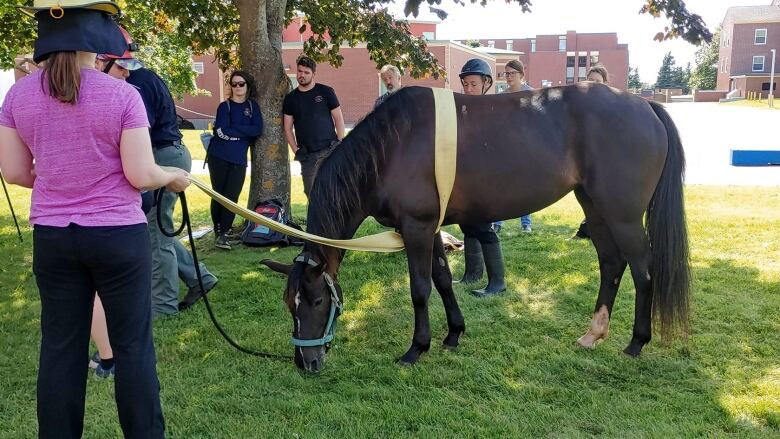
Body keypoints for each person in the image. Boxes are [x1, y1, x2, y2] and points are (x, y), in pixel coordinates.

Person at [0, 2, 187, 436]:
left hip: (53, 237)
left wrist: (59, 179)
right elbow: (141, 174)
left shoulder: (17, 95)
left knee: (60, 349)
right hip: (117, 236)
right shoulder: (122, 95)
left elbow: (12, 171)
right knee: (133, 347)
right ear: (100, 38)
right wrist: (173, 177)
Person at [125, 44, 218, 317]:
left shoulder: (136, 83)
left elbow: (139, 129)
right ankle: (200, 278)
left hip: (162, 156)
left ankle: (164, 306)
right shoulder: (145, 77)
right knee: (158, 229)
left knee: (156, 232)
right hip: (168, 154)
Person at [454, 58, 507, 297]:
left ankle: (497, 282)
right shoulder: (464, 108)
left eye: (473, 84)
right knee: (467, 224)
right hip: (467, 175)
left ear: (486, 83)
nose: (468, 89)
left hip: (487, 177)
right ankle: (472, 273)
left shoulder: (494, 108)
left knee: (484, 227)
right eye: (465, 84)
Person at [208, 70, 263, 250]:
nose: (238, 87)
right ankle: (220, 231)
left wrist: (235, 129)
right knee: (219, 194)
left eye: (241, 84)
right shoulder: (225, 107)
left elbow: (257, 130)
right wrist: (243, 131)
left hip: (239, 158)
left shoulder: (253, 107)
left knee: (232, 196)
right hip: (219, 156)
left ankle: (225, 230)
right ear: (230, 86)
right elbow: (221, 131)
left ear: (247, 86)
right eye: (234, 84)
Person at [283, 56, 346, 197]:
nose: (302, 75)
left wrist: (339, 144)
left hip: (329, 150)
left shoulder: (326, 92)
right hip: (307, 156)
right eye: (300, 71)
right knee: (311, 193)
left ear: (313, 74)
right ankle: (318, 219)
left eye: (306, 72)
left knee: (334, 190)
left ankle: (336, 219)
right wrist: (296, 150)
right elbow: (287, 128)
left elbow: (339, 119)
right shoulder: (291, 98)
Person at [571, 64, 610, 240]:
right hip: (586, 160)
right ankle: (586, 229)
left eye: (598, 81)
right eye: (591, 80)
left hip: (602, 160)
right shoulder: (582, 105)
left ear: (605, 83)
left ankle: (588, 230)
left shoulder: (611, 105)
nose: (594, 84)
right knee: (588, 197)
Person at [502, 59, 533, 233]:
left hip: (526, 145)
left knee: (525, 184)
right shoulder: (503, 95)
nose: (509, 77)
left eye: (512, 73)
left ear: (521, 74)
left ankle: (526, 223)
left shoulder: (531, 93)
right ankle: (497, 223)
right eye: (506, 73)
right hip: (508, 145)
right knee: (502, 183)